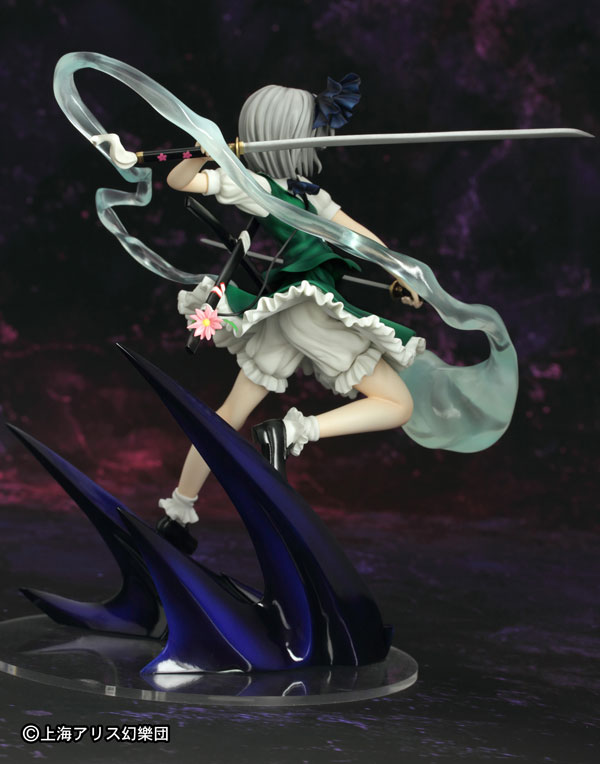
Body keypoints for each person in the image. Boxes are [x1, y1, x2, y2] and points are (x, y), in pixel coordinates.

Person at [156, 75, 427, 547]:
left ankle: (178, 514)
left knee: (229, 414)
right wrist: (202, 147)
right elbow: (181, 181)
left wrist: (398, 271)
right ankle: (291, 431)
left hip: (285, 313)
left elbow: (357, 236)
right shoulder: (254, 186)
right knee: (397, 404)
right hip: (306, 309)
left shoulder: (308, 193)